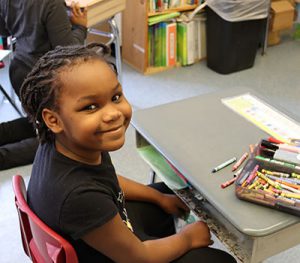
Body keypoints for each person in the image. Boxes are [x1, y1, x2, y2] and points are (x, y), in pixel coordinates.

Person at [20, 43, 236, 263]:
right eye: (90, 107)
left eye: (115, 97)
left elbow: (105, 180)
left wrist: (159, 198)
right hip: (124, 256)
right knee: (217, 260)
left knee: (169, 192)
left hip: (100, 234)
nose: (113, 114)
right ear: (53, 120)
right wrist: (187, 239)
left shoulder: (67, 143)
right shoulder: (78, 195)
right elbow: (139, 258)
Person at [0, 0, 87, 170]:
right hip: (45, 78)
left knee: (38, 122)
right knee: (59, 139)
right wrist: (80, 27)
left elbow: (3, 30)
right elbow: (68, 49)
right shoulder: (51, 4)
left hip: (20, 73)